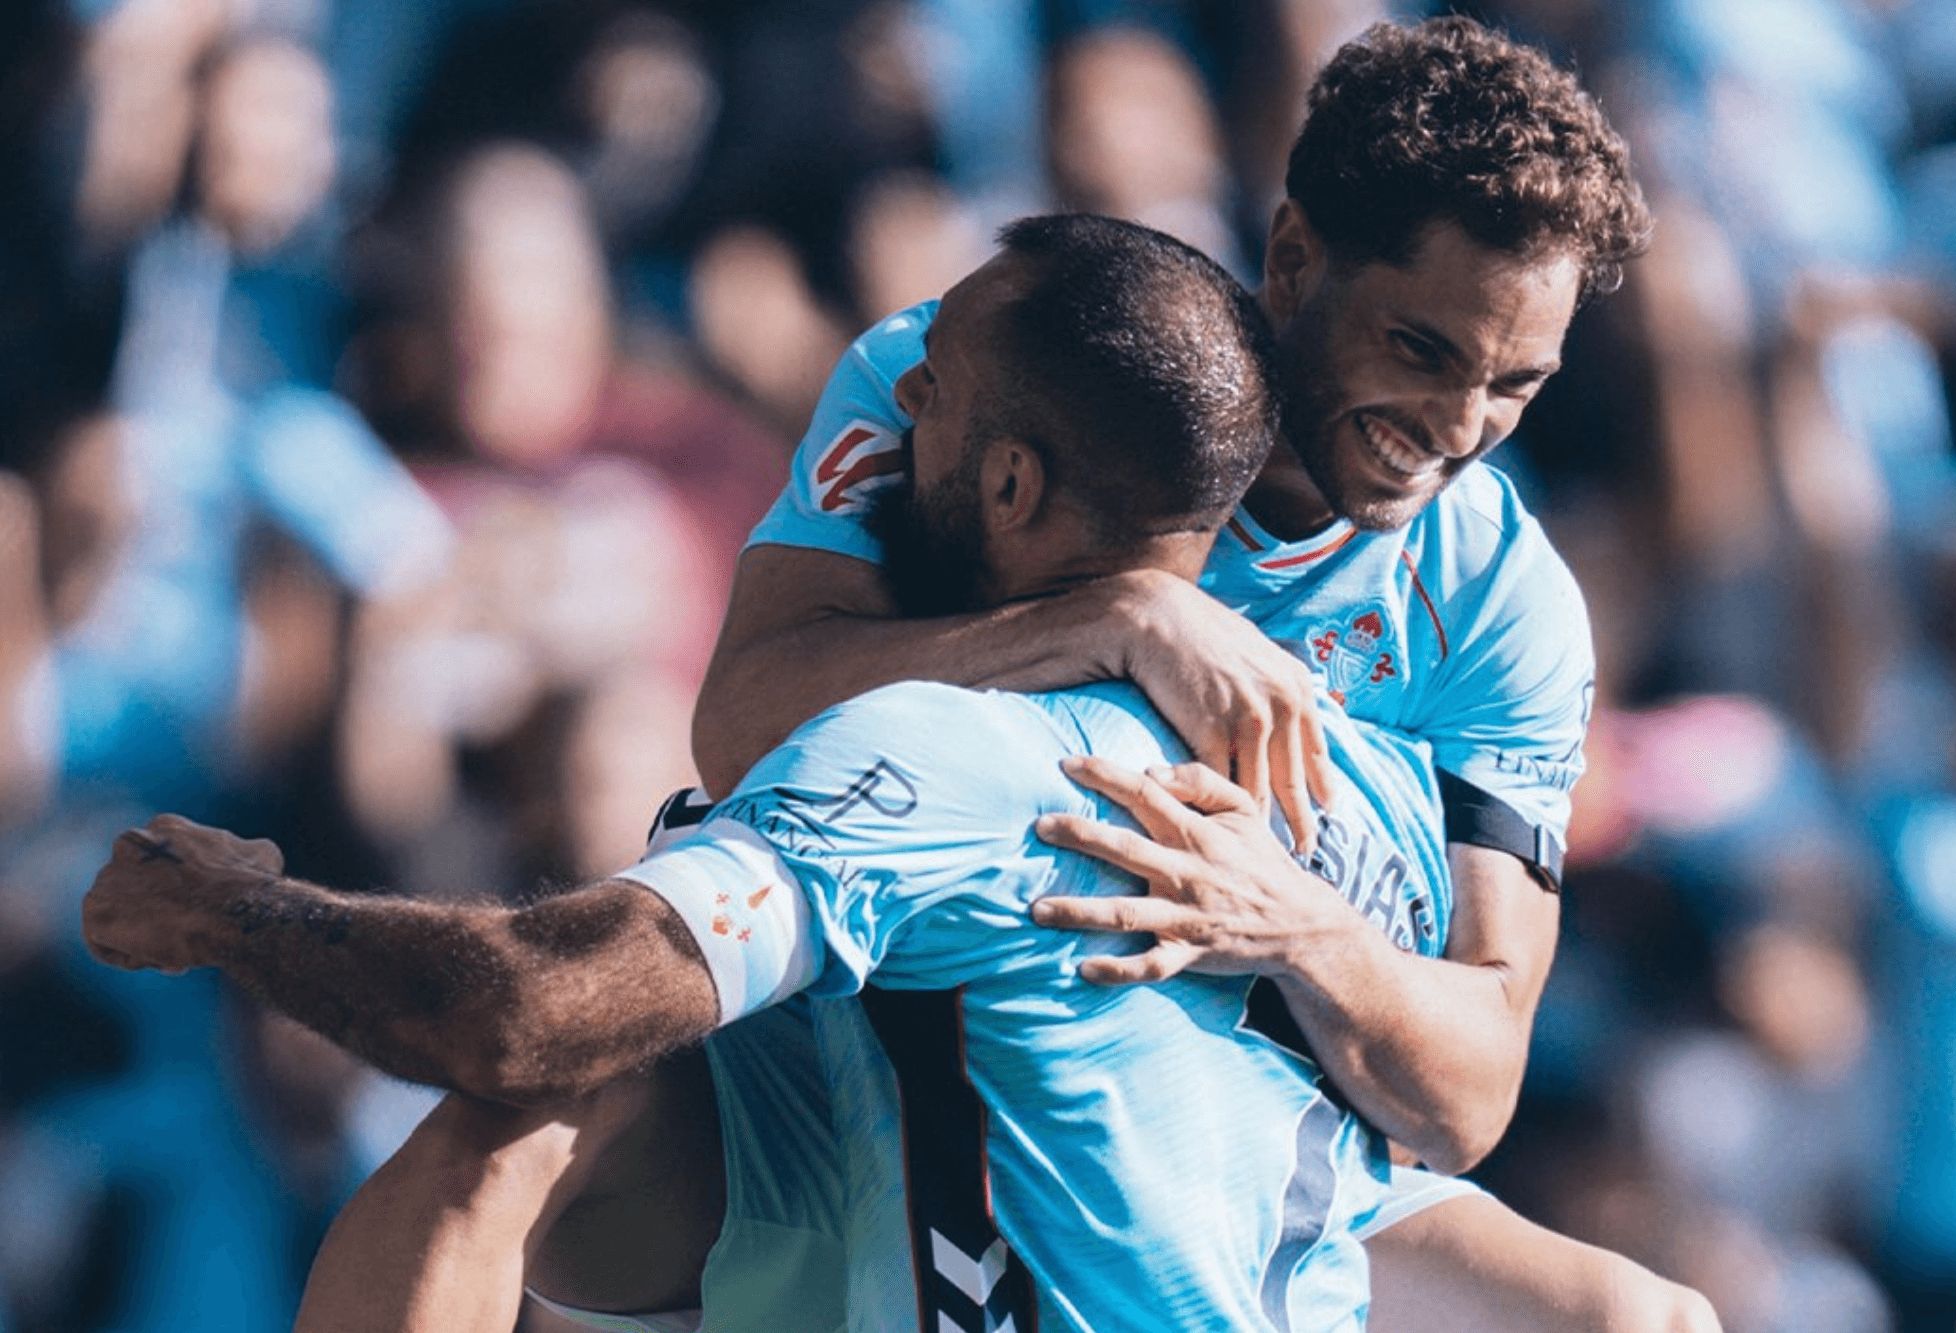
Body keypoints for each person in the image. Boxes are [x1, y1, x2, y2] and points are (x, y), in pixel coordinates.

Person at [308, 17, 1710, 1333]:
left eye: (1515, 384)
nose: (1458, 429)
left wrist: (1303, 927)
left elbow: (1470, 1090)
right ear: (1293, 260)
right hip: (837, 1018)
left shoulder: (1506, 607)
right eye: (1422, 350)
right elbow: (742, 722)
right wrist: (1108, 623)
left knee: (1655, 1318)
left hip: (1237, 1116)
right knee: (501, 1129)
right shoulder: (994, 368)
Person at [91, 213, 1432, 1332]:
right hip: (1015, 1191)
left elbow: (528, 1009)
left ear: (1015, 486)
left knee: (534, 1082)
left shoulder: (945, 748)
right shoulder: (1359, 784)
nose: (897, 392)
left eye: (939, 385)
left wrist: (230, 913)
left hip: (878, 1223)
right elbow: (1502, 1164)